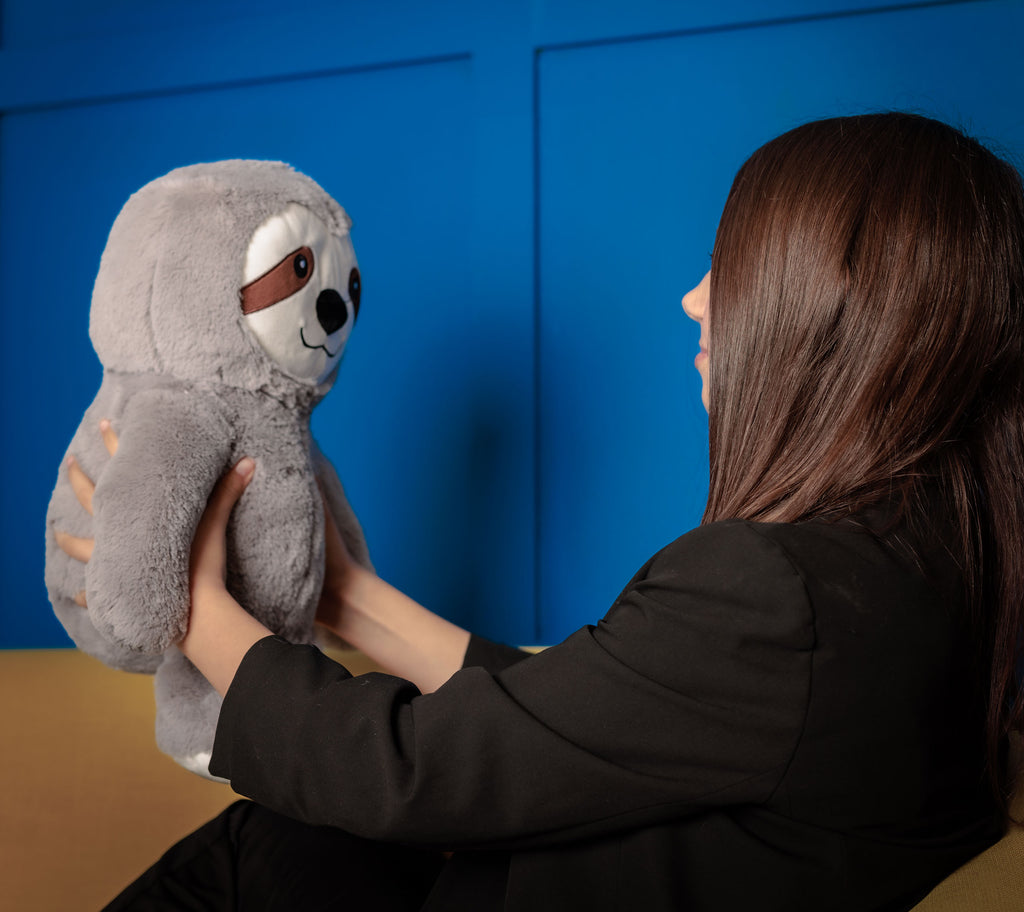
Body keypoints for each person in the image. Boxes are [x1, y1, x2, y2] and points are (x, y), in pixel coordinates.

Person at [57, 112, 1024, 911]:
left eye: (734, 267)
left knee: (278, 837)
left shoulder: (786, 592)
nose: (695, 300)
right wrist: (350, 601)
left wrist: (189, 599)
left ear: (839, 311)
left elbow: (404, 772)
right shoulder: (922, 594)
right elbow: (573, 724)